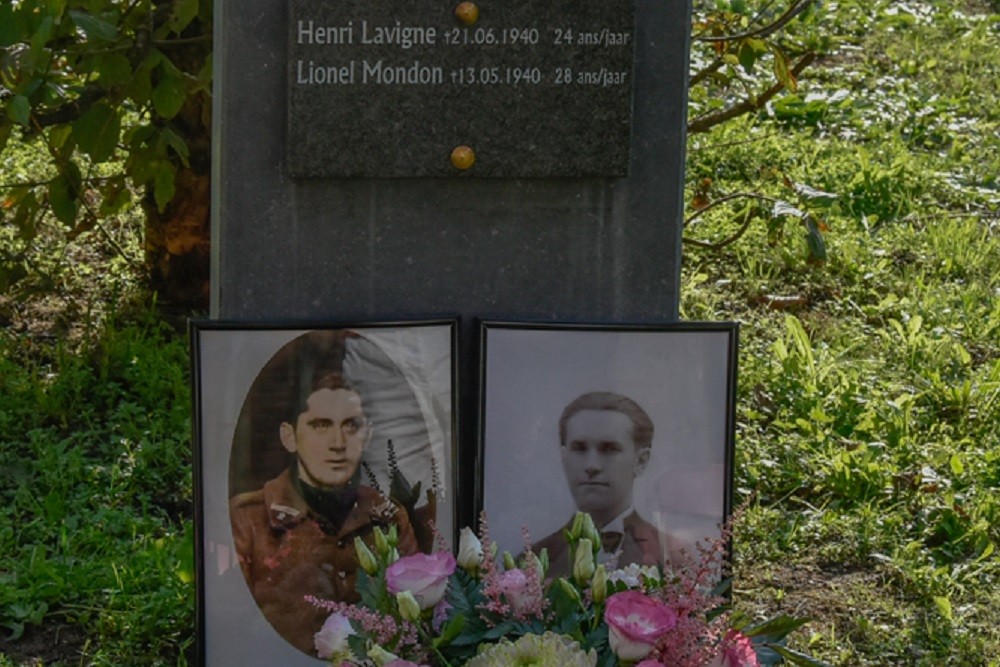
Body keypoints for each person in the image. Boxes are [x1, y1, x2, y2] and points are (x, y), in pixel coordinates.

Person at [230, 370, 419, 656]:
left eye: (351, 426)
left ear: (367, 435)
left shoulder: (389, 518)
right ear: (289, 436)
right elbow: (229, 629)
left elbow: (417, 622)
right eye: (320, 425)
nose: (338, 443)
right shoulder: (248, 520)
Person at [532, 391, 684, 577]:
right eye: (579, 449)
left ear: (641, 461)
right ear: (564, 458)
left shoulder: (675, 557)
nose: (592, 465)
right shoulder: (532, 562)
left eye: (609, 449)